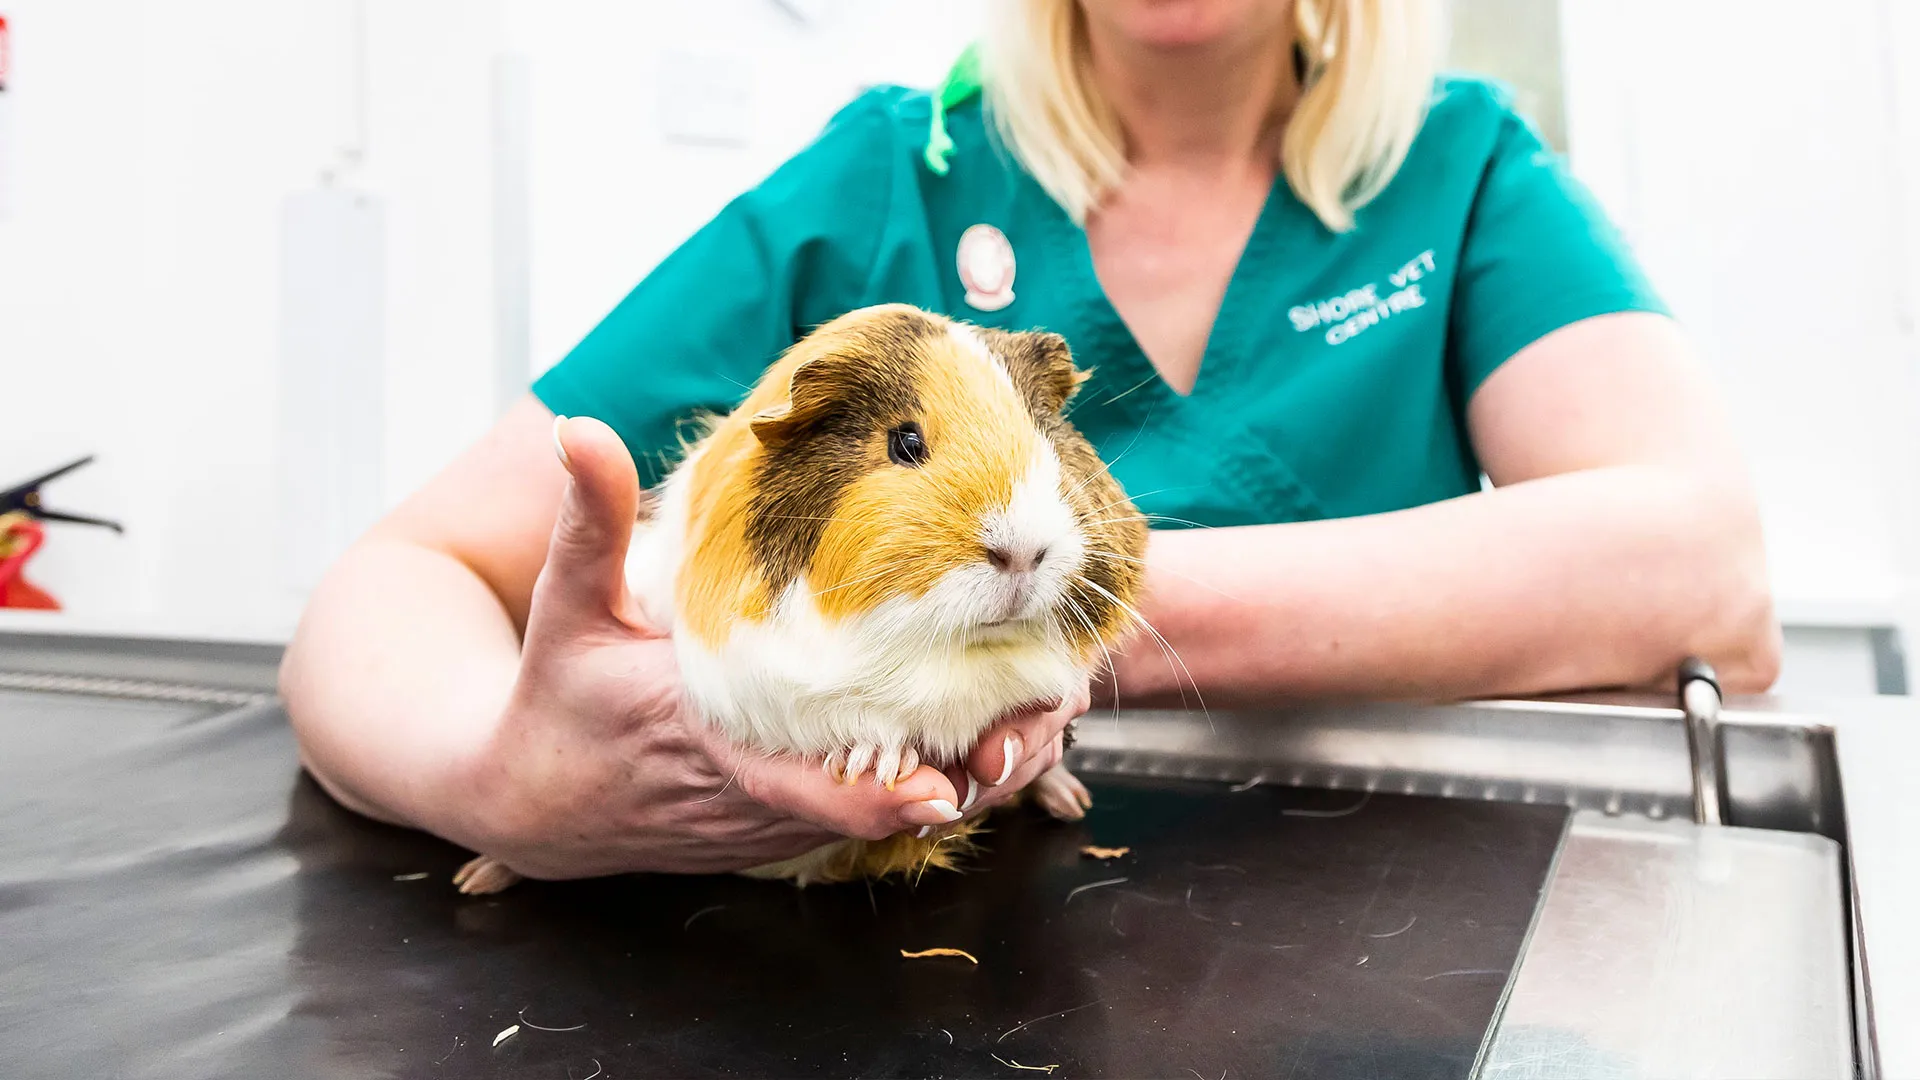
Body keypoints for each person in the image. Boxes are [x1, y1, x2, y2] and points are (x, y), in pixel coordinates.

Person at [280, 0, 1780, 883]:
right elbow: (391, 582)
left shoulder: (1465, 167)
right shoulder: (887, 175)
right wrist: (501, 778)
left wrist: (1041, 631)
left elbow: (1702, 569)